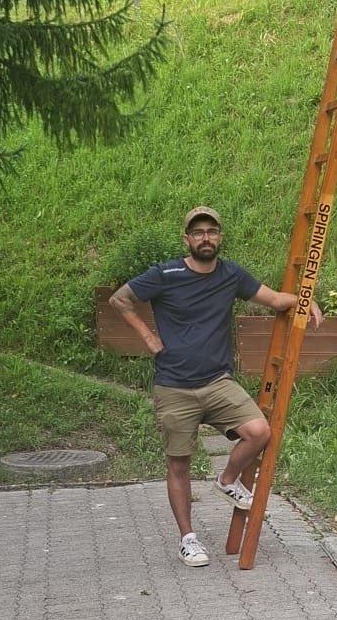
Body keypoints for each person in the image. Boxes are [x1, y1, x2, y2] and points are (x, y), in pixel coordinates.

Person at [110, 206, 321, 566]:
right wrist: (147, 336)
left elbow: (273, 299)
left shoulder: (230, 274)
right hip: (174, 387)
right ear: (187, 239)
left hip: (217, 382)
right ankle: (188, 539)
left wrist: (305, 301)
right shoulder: (165, 274)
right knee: (179, 464)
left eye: (211, 231)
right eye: (198, 232)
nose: (205, 237)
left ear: (219, 237)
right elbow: (119, 298)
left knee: (259, 432)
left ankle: (227, 479)